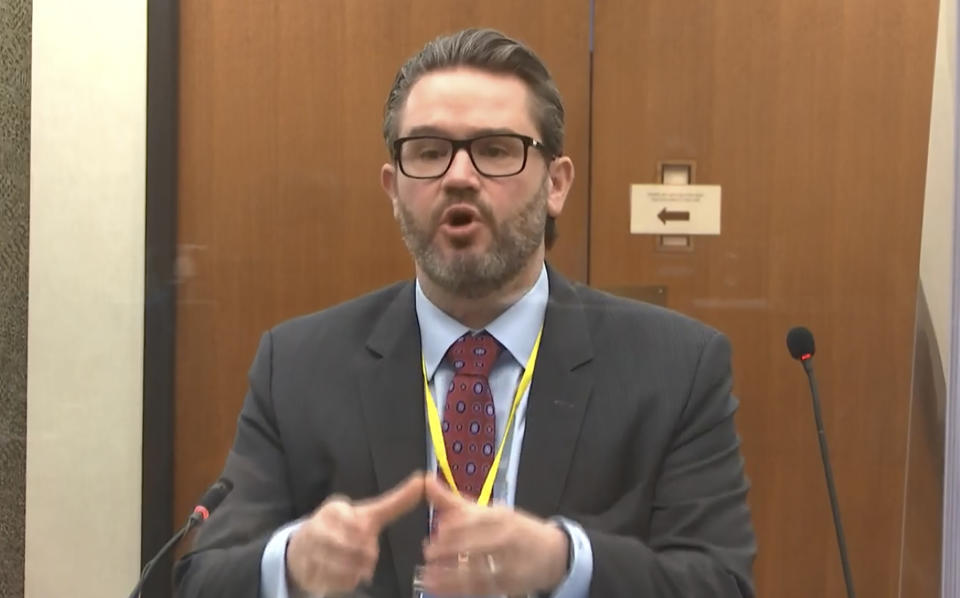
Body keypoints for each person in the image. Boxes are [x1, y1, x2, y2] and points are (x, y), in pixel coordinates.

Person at [174, 28, 756, 598]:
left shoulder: (675, 367)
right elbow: (199, 580)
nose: (458, 177)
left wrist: (562, 561)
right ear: (394, 189)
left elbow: (720, 584)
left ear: (556, 184)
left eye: (495, 150)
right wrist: (291, 563)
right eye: (428, 152)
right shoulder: (298, 366)